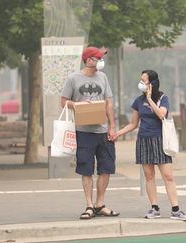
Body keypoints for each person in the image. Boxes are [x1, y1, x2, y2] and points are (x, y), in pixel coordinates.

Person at [112, 70, 186, 221]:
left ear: (152, 84)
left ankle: (175, 210)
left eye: (144, 81)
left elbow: (162, 114)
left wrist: (150, 99)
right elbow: (133, 124)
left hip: (160, 140)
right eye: (140, 80)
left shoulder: (163, 98)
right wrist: (117, 133)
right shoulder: (138, 101)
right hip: (143, 140)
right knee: (149, 176)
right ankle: (155, 208)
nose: (141, 84)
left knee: (168, 176)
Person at [61, 46, 119, 219]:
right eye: (97, 58)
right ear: (88, 60)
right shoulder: (73, 78)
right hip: (83, 131)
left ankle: (99, 204)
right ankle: (89, 205)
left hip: (103, 131)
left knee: (106, 168)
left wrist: (112, 126)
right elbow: (63, 101)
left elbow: (108, 102)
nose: (101, 61)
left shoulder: (103, 77)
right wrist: (78, 105)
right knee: (86, 169)